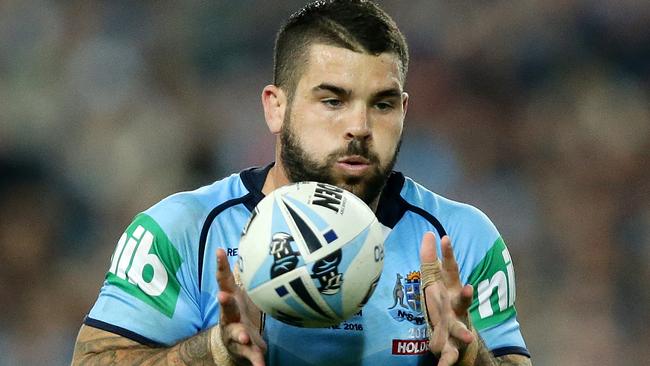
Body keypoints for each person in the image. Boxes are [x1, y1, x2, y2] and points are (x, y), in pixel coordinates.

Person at [72, 1, 531, 365]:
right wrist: (211, 352)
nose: (360, 126)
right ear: (275, 107)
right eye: (333, 100)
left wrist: (474, 357)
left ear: (405, 111)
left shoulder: (460, 241)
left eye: (383, 104)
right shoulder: (184, 230)